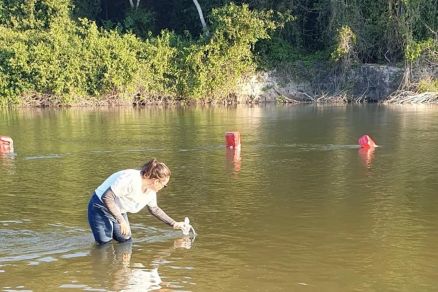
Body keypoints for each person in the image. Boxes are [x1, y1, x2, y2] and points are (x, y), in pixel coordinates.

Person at [88, 158, 185, 244]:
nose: (164, 188)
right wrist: (121, 221)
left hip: (119, 209)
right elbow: (107, 197)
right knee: (105, 244)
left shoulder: (151, 190)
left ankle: (123, 264)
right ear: (156, 181)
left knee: (125, 240)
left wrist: (173, 223)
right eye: (164, 186)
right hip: (100, 206)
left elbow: (154, 209)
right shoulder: (130, 179)